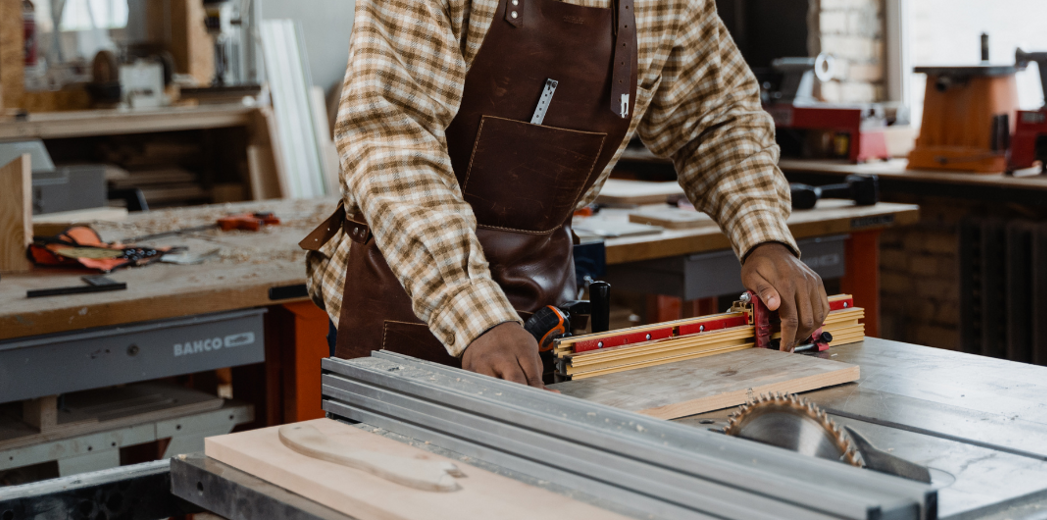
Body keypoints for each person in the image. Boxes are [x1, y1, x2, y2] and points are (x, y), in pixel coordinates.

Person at [301, 0, 829, 388]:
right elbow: (392, 136)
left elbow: (716, 121)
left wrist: (765, 238)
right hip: (401, 303)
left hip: (541, 306)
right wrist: (478, 315)